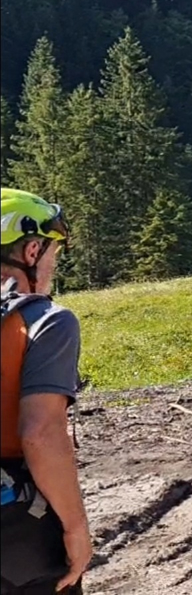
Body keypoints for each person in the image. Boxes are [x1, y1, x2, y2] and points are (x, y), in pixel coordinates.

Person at [0, 188, 90, 595]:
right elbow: (40, 434)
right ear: (31, 251)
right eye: (52, 253)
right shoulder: (45, 321)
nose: (53, 265)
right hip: (18, 529)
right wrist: (75, 527)